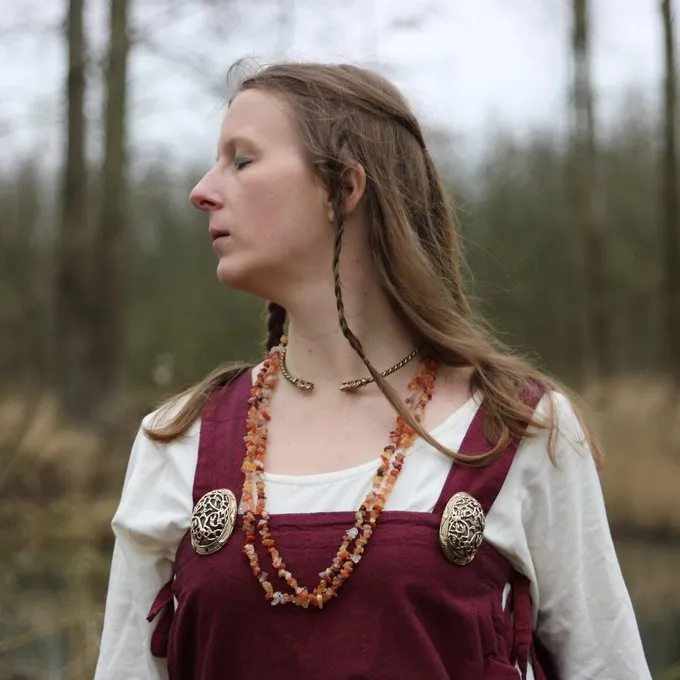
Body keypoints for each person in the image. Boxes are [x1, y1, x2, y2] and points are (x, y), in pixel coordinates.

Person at [94, 61, 651, 680]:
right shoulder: (180, 439)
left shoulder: (516, 430)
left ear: (345, 187)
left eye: (242, 160)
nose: (201, 191)